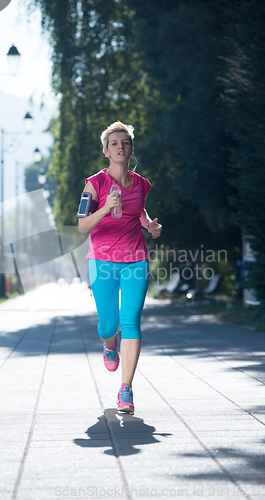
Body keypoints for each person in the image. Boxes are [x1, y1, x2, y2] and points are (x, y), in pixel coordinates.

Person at [78, 121, 162, 413]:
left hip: (135, 260)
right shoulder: (94, 184)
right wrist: (103, 208)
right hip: (101, 261)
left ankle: (126, 389)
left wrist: (148, 224)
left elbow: (139, 210)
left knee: (131, 323)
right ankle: (109, 344)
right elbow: (81, 226)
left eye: (124, 143)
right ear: (106, 151)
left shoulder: (142, 184)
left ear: (131, 149)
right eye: (114, 143)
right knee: (108, 326)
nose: (120, 147)